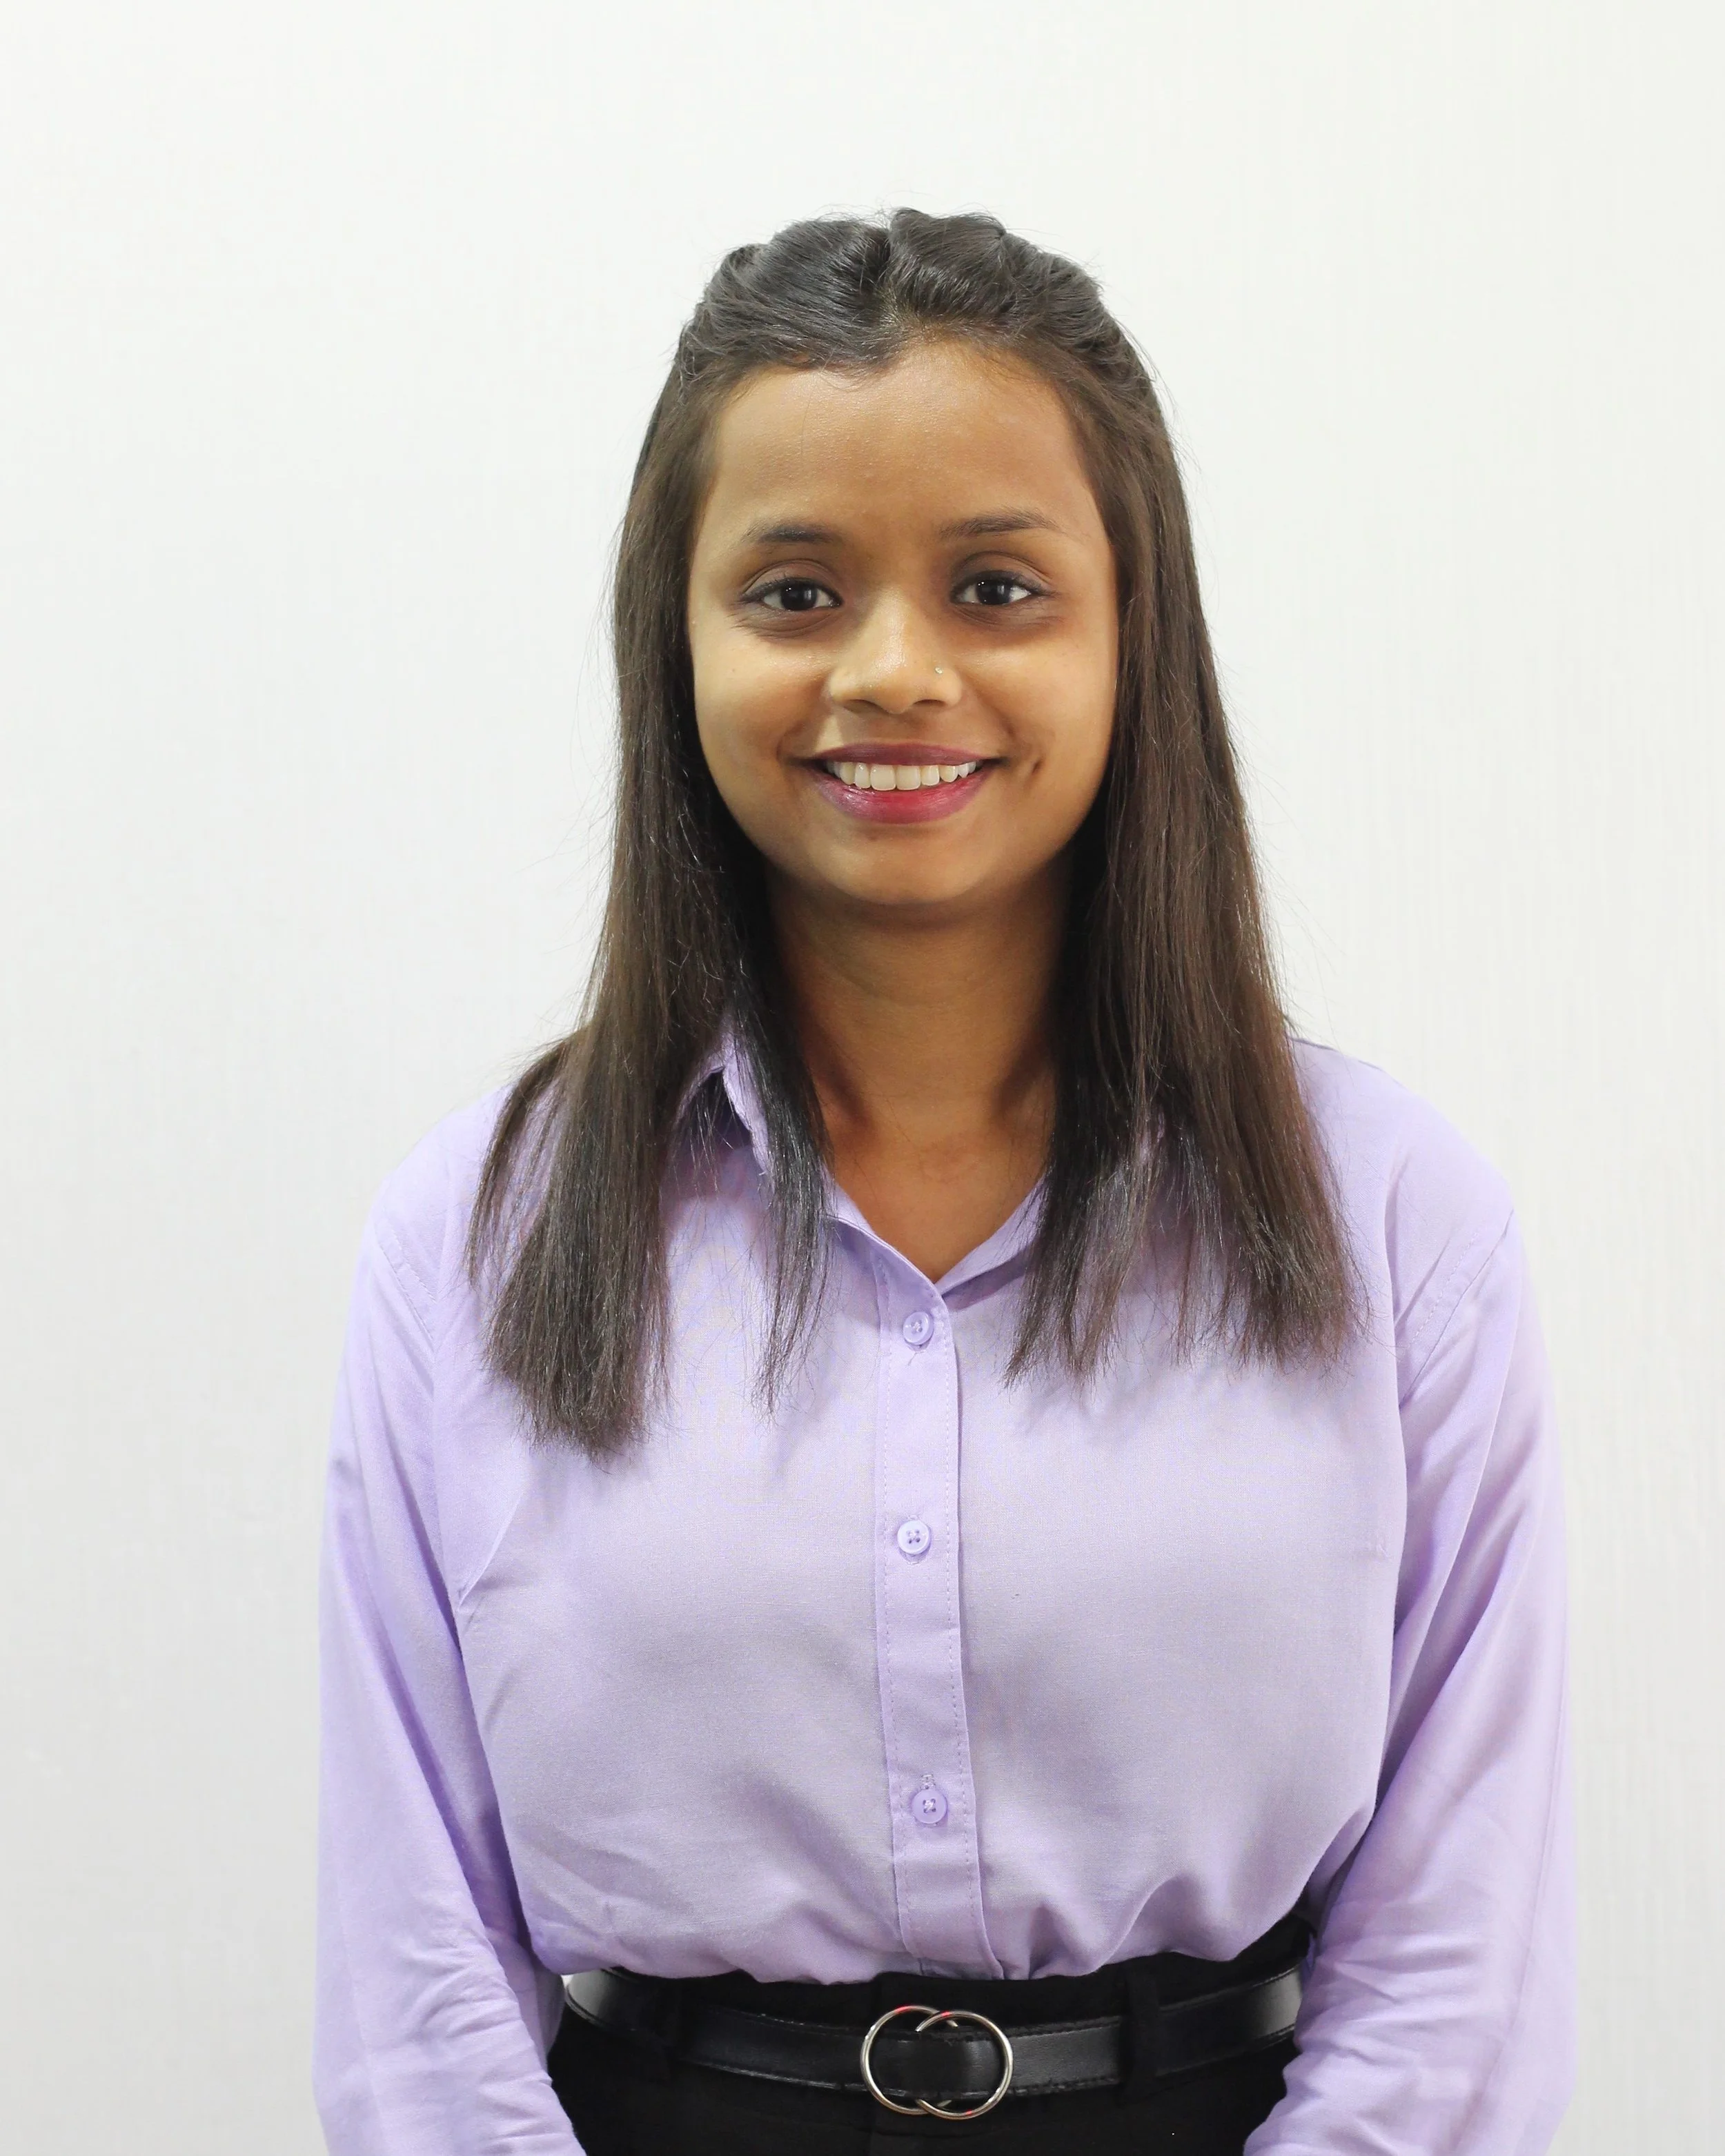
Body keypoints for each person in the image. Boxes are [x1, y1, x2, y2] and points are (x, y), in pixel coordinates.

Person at [314, 210, 1573, 2156]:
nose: (895, 671)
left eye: (996, 586)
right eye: (795, 591)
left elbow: (1456, 1959)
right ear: (678, 637)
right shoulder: (479, 1237)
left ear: (1131, 629)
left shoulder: (1394, 1223)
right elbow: (417, 1964)